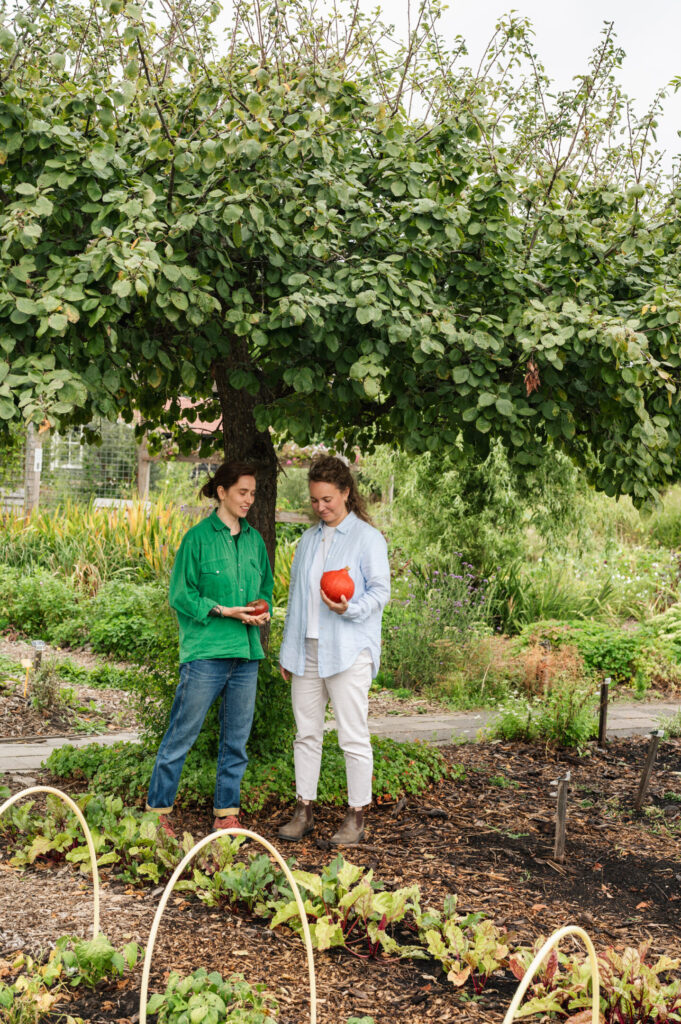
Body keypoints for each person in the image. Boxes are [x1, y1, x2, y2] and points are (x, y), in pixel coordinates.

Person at [146, 462, 273, 837]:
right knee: (181, 734)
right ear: (222, 492)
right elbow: (181, 595)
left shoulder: (254, 541)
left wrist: (260, 611)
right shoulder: (197, 539)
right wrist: (222, 610)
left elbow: (265, 588)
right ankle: (157, 812)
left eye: (252, 493)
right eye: (242, 493)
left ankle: (226, 813)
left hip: (246, 655)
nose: (249, 500)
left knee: (236, 741)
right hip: (206, 654)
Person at [277, 455, 390, 845]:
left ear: (345, 492)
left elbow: (381, 591)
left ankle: (356, 816)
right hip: (306, 650)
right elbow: (296, 599)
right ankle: (303, 810)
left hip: (347, 649)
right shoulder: (308, 540)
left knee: (352, 736)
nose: (320, 507)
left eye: (327, 499)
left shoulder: (366, 538)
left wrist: (350, 608)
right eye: (313, 500)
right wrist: (288, 650)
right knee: (306, 734)